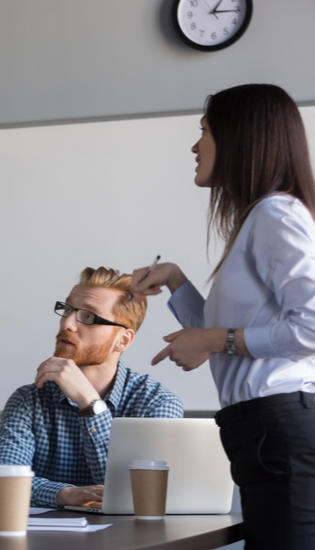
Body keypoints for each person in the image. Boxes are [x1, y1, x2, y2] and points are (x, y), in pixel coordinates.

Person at [131, 84, 315, 550]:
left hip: (279, 425)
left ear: (241, 137)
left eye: (205, 131)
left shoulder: (276, 213)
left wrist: (217, 341)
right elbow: (220, 333)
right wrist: (175, 279)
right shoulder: (257, 219)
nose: (196, 146)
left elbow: (310, 326)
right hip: (259, 429)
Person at [0, 267, 183, 508]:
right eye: (67, 310)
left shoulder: (157, 404)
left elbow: (139, 496)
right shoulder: (29, 399)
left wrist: (90, 404)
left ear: (123, 340)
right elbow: (1, 485)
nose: (67, 324)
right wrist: (66, 494)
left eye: (88, 317)